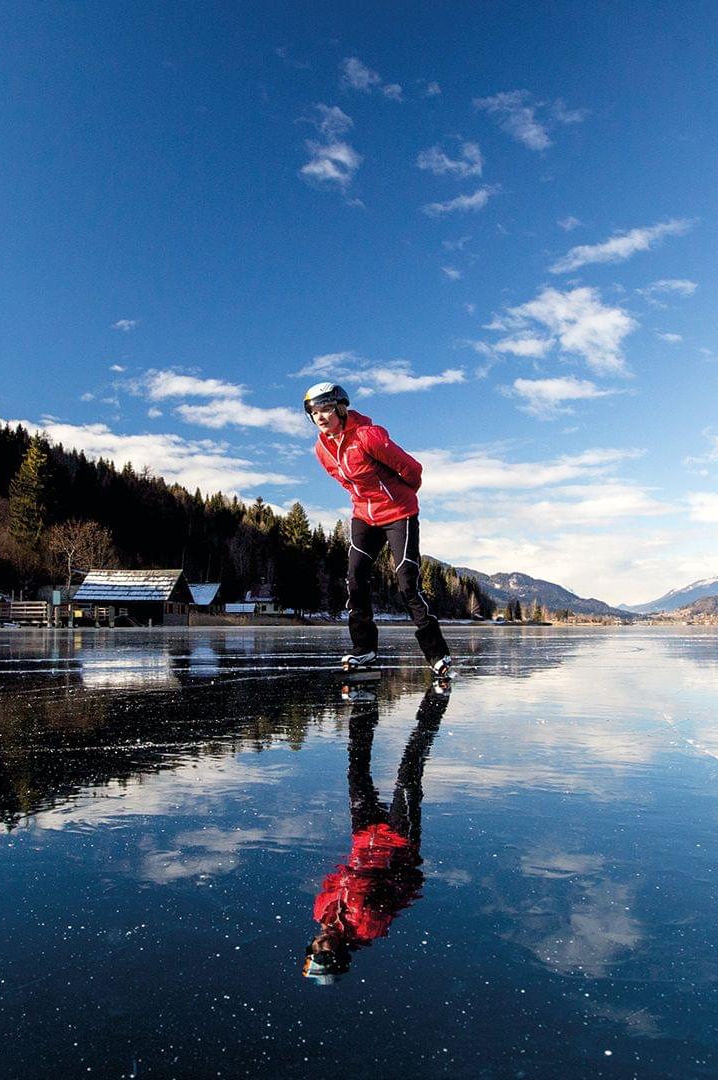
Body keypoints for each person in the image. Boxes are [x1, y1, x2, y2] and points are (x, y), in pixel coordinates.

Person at [303, 381, 452, 678]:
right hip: (364, 516)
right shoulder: (322, 449)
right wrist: (366, 502)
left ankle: (437, 654)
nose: (320, 416)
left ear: (340, 408)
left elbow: (413, 469)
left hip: (399, 513)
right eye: (313, 411)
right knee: (355, 577)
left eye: (326, 408)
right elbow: (346, 481)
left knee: (407, 582)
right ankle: (364, 649)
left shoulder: (368, 436)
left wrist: (400, 495)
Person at [302, 688, 449, 982]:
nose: (320, 945)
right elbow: (394, 885)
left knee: (356, 773)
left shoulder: (321, 912)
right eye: (325, 954)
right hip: (397, 841)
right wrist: (397, 862)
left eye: (313, 950)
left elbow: (336, 878)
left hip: (363, 838)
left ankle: (364, 706)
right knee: (408, 776)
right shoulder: (368, 928)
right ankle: (434, 706)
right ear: (340, 955)